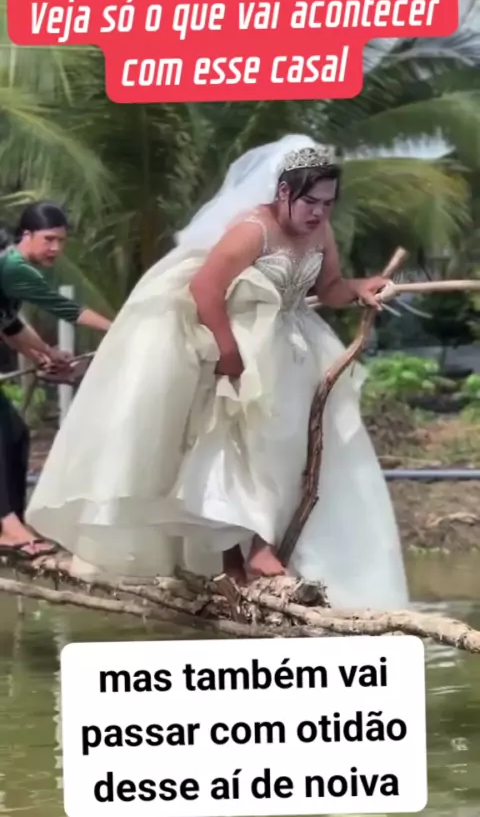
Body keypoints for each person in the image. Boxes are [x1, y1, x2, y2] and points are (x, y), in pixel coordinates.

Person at [26, 137, 408, 609]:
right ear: (284, 192)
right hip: (243, 340)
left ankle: (267, 549)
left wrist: (361, 287)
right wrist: (228, 351)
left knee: (292, 448)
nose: (318, 212)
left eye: (328, 204)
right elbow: (205, 288)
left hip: (296, 345)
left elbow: (329, 288)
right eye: (310, 201)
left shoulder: (319, 232)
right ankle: (241, 557)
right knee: (237, 441)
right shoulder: (252, 230)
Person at [0, 200, 112, 560]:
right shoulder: (14, 268)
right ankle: (8, 527)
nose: (56, 248)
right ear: (27, 235)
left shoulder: (9, 267)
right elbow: (67, 310)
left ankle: (11, 525)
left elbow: (9, 326)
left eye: (61, 241)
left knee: (16, 434)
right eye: (48, 239)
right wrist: (120, 328)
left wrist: (44, 353)